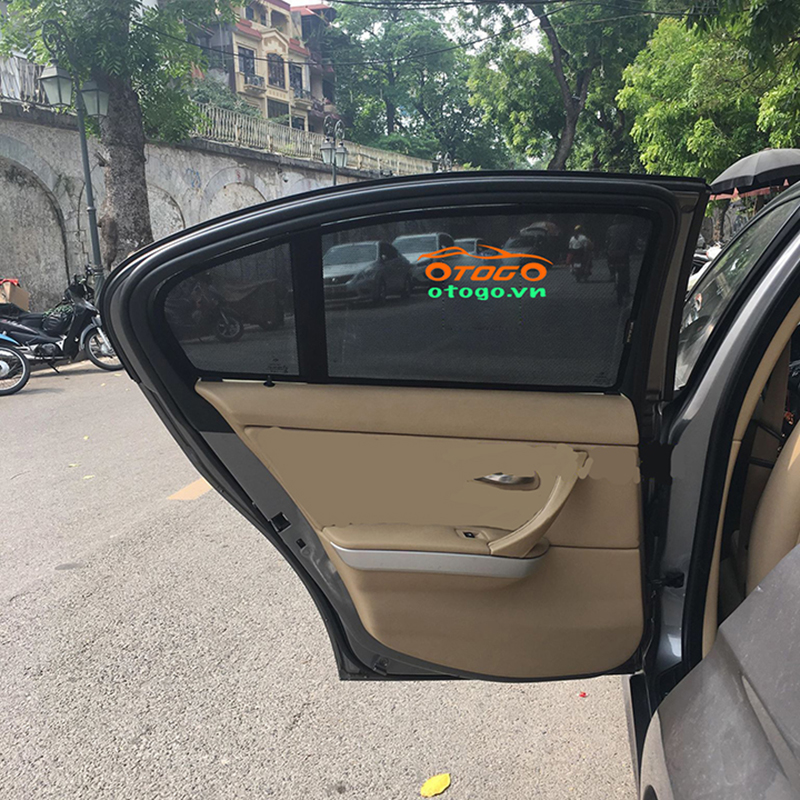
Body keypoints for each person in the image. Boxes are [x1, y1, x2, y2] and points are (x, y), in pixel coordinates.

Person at [606, 216, 635, 305]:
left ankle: (612, 273)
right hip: (624, 253)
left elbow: (607, 241)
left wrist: (607, 249)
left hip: (612, 253)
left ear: (615, 220)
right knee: (626, 271)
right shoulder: (628, 228)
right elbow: (632, 241)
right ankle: (627, 290)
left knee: (610, 263)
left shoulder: (610, 229)